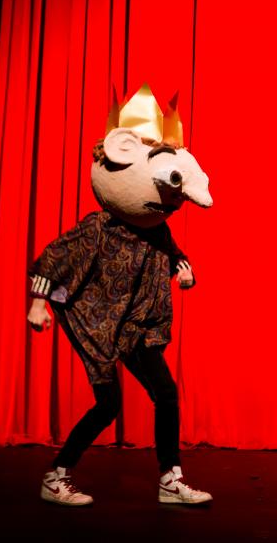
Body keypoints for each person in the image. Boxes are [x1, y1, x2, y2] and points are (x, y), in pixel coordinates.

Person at [27, 84, 214, 507]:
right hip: (95, 319)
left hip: (136, 325)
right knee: (108, 404)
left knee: (165, 394)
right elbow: (54, 260)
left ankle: (170, 478)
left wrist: (184, 270)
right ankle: (56, 476)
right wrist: (40, 304)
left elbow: (173, 256)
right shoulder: (99, 228)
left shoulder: (157, 229)